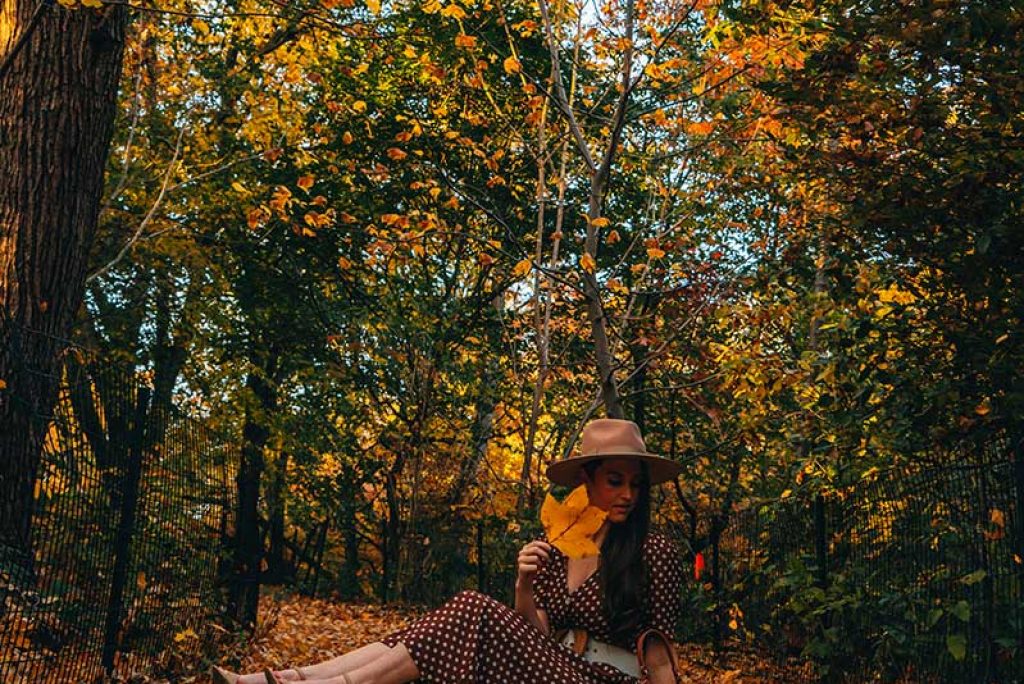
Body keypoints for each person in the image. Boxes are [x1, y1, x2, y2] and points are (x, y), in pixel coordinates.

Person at [212, 418, 684, 684]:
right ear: (588, 479)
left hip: (604, 680)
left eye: (635, 484)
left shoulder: (653, 551)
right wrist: (523, 583)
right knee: (442, 624)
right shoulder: (557, 544)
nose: (627, 494)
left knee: (472, 608)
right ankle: (294, 678)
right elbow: (534, 631)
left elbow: (660, 655)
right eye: (615, 481)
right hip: (550, 666)